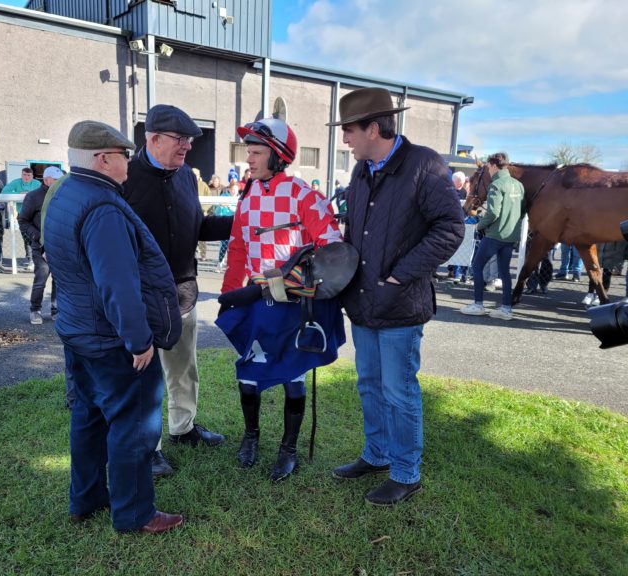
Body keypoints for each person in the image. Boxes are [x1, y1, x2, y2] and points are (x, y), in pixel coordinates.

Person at [43, 119, 183, 534]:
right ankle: (135, 513)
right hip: (109, 339)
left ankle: (85, 499)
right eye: (124, 155)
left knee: (88, 417)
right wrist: (139, 341)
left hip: (78, 331)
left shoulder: (64, 191)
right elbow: (118, 284)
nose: (129, 161)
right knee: (134, 425)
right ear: (103, 159)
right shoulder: (103, 207)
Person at [328, 87, 464, 505]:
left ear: (373, 128)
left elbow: (451, 229)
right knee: (369, 384)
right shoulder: (361, 171)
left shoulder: (424, 164)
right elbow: (357, 231)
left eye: (349, 130)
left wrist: (398, 276)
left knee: (398, 391)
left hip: (400, 304)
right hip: (363, 302)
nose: (345, 139)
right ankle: (377, 454)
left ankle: (406, 473)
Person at [221, 117, 343, 482]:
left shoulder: (304, 194)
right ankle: (251, 436)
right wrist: (229, 294)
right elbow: (238, 249)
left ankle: (288, 448)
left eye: (256, 152)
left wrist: (294, 278)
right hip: (257, 301)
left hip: (295, 306)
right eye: (248, 152)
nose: (249, 159)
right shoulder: (247, 196)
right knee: (248, 373)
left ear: (277, 155)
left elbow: (331, 246)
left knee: (294, 375)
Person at [123, 104, 233, 477]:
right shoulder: (126, 177)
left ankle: (182, 428)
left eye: (189, 139)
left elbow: (196, 227)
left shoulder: (186, 176)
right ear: (153, 138)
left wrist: (241, 221)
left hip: (183, 293)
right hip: (141, 297)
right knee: (145, 376)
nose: (188, 146)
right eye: (180, 139)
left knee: (184, 367)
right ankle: (148, 447)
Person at [460, 152, 525, 321]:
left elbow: (493, 213)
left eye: (488, 166)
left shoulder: (496, 185)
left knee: (477, 266)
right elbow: (522, 210)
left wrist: (480, 225)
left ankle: (478, 305)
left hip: (494, 235)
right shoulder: (518, 185)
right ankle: (506, 309)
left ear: (494, 165)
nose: (488, 169)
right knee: (504, 272)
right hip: (510, 236)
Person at [18, 166, 64, 325]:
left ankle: (56, 310)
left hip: (59, 245)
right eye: (56, 180)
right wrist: (37, 237)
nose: (59, 182)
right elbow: (23, 220)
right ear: (46, 180)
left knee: (59, 280)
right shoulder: (33, 196)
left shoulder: (63, 195)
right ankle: (35, 310)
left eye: (60, 179)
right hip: (40, 245)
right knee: (41, 278)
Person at [2, 167, 40, 267]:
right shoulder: (16, 182)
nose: (26, 177)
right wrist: (18, 194)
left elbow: (44, 194)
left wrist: (30, 194)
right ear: (21, 175)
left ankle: (39, 259)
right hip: (22, 215)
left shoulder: (37, 184)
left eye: (28, 175)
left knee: (37, 237)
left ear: (32, 176)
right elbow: (4, 191)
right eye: (24, 175)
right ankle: (30, 260)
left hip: (36, 215)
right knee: (26, 238)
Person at [214, 178, 238, 273]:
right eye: (232, 190)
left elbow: (238, 212)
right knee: (224, 245)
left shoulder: (240, 198)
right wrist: (220, 207)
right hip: (224, 224)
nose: (234, 191)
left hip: (235, 224)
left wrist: (229, 206)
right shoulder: (223, 197)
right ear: (229, 190)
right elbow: (216, 212)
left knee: (234, 247)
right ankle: (220, 263)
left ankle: (231, 265)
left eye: (235, 190)